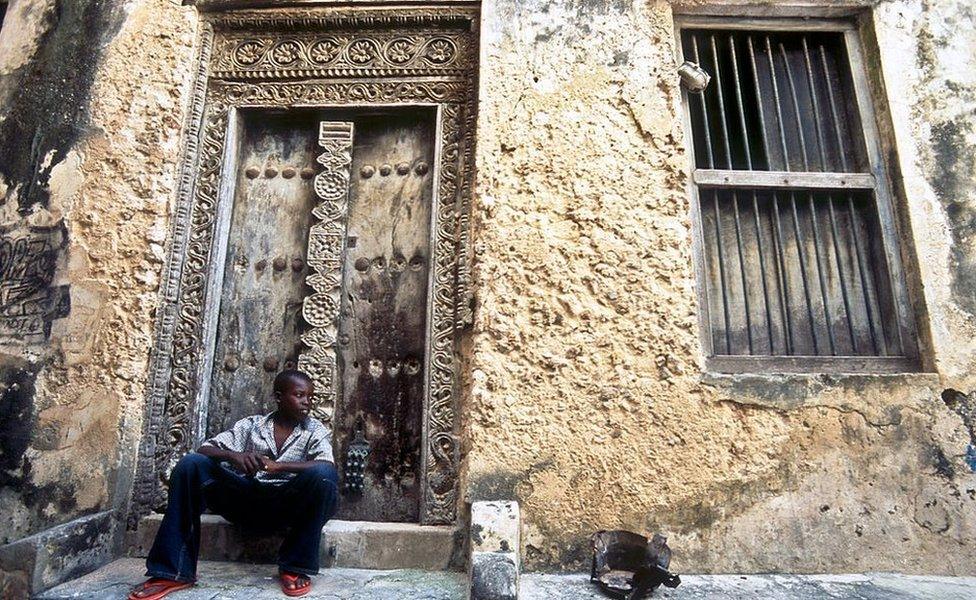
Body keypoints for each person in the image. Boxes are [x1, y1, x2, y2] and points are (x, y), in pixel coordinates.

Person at [128, 369, 338, 599]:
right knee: (191, 464)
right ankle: (172, 571)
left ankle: (295, 567)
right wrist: (234, 457)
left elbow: (325, 464)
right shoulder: (252, 426)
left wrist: (277, 466)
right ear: (279, 397)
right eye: (300, 395)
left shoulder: (314, 429)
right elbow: (205, 449)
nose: (306, 402)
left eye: (310, 397)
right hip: (246, 503)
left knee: (323, 474)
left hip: (289, 508)